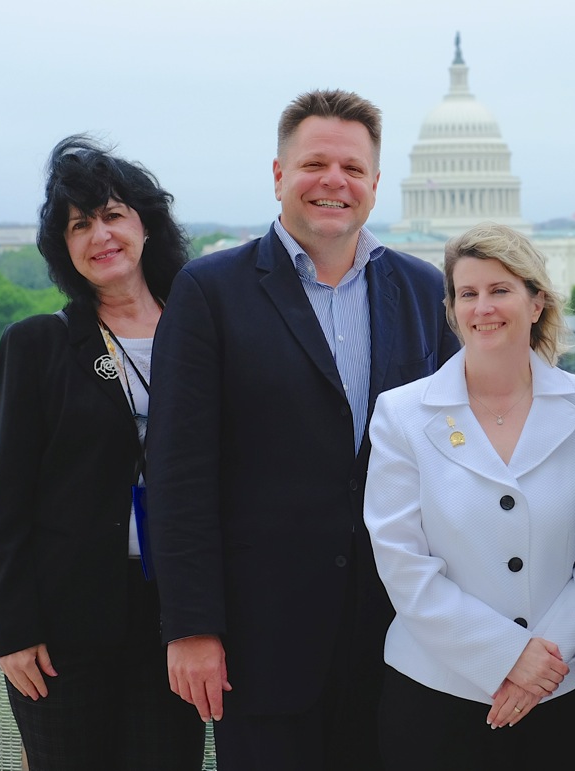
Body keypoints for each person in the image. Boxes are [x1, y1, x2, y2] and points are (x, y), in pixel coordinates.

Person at [144, 89, 460, 771]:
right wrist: (192, 627)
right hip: (262, 639)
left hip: (399, 635)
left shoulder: (421, 289)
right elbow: (177, 472)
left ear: (375, 184)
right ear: (279, 175)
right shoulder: (210, 291)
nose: (334, 182)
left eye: (352, 168)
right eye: (315, 163)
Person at [363, 222, 575, 771]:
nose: (483, 307)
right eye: (468, 293)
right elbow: (402, 564)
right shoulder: (401, 415)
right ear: (453, 310)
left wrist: (542, 665)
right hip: (437, 697)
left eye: (500, 290)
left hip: (572, 694)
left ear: (537, 303)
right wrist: (505, 657)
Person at [0, 135, 204, 770]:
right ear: (65, 248)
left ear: (144, 227)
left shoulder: (204, 334)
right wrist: (14, 631)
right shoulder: (36, 346)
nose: (99, 235)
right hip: (63, 627)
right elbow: (6, 503)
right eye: (80, 225)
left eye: (112, 216)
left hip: (177, 617)